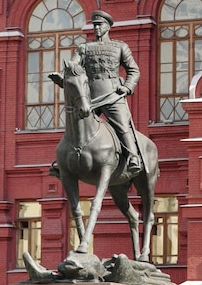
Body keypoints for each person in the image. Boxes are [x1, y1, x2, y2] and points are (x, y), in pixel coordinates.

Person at [50, 10, 142, 173]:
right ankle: (62, 161)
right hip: (89, 98)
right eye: (95, 25)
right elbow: (73, 67)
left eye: (100, 25)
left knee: (122, 125)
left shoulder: (120, 47)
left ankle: (133, 157)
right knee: (75, 124)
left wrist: (127, 87)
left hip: (112, 96)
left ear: (108, 27)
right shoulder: (85, 48)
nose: (97, 28)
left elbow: (133, 70)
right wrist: (61, 77)